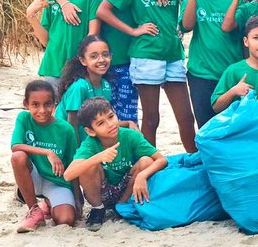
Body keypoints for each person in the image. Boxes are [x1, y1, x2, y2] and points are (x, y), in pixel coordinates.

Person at [51, 0, 180, 124]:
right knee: (99, 115)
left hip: (128, 59)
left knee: (126, 114)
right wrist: (63, 3)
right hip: (101, 61)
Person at [96, 0, 196, 152]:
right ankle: (149, 166)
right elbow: (103, 10)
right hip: (146, 54)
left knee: (186, 117)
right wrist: (133, 31)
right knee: (151, 118)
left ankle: (194, 162)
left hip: (173, 52)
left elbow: (181, 2)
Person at [64, 97, 167, 232]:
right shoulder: (90, 144)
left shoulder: (130, 136)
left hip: (127, 188)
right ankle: (98, 209)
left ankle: (122, 206)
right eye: (101, 123)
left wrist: (142, 175)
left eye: (111, 117)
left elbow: (162, 159)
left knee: (146, 161)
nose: (110, 124)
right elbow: (68, 175)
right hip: (102, 191)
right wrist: (98, 157)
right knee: (87, 166)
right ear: (90, 131)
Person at [180, 0, 244, 128]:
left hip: (231, 73)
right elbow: (187, 25)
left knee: (233, 128)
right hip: (201, 74)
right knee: (207, 128)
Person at [25, 0, 101, 88]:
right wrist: (31, 14)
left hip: (80, 67)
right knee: (55, 109)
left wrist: (83, 61)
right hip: (53, 66)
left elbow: (93, 34)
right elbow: (45, 41)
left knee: (79, 108)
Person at [10, 80, 78, 233]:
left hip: (57, 182)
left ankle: (48, 204)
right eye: (35, 105)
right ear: (26, 104)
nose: (42, 110)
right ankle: (34, 210)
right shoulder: (23, 118)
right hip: (33, 176)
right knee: (18, 157)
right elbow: (15, 146)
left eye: (47, 104)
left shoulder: (66, 129)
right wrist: (48, 152)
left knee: (66, 220)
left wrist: (78, 199)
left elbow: (74, 165)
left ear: (55, 104)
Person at [55, 35, 138, 143]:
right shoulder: (79, 87)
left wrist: (128, 123)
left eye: (105, 55)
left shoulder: (106, 85)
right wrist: (77, 153)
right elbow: (72, 124)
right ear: (83, 60)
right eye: (94, 56)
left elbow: (101, 120)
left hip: (89, 137)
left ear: (111, 56)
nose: (101, 60)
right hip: (67, 141)